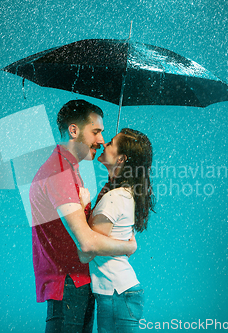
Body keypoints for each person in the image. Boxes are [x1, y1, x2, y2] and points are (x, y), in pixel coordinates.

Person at [29, 100, 137, 333]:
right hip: (69, 284)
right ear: (74, 130)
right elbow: (86, 243)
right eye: (96, 131)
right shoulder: (59, 171)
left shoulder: (69, 168)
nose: (101, 140)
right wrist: (127, 247)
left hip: (77, 283)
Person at [78, 128, 155, 333]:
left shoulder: (115, 198)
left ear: (121, 159)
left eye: (111, 143)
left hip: (116, 293)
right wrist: (128, 246)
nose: (104, 144)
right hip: (119, 292)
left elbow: (85, 252)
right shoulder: (122, 194)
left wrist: (82, 207)